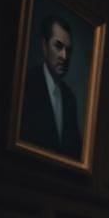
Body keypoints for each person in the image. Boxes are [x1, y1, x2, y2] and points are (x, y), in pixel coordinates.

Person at [19, 14, 83, 159]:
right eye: (58, 46)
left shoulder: (69, 98)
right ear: (44, 46)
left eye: (69, 50)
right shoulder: (27, 82)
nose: (64, 56)